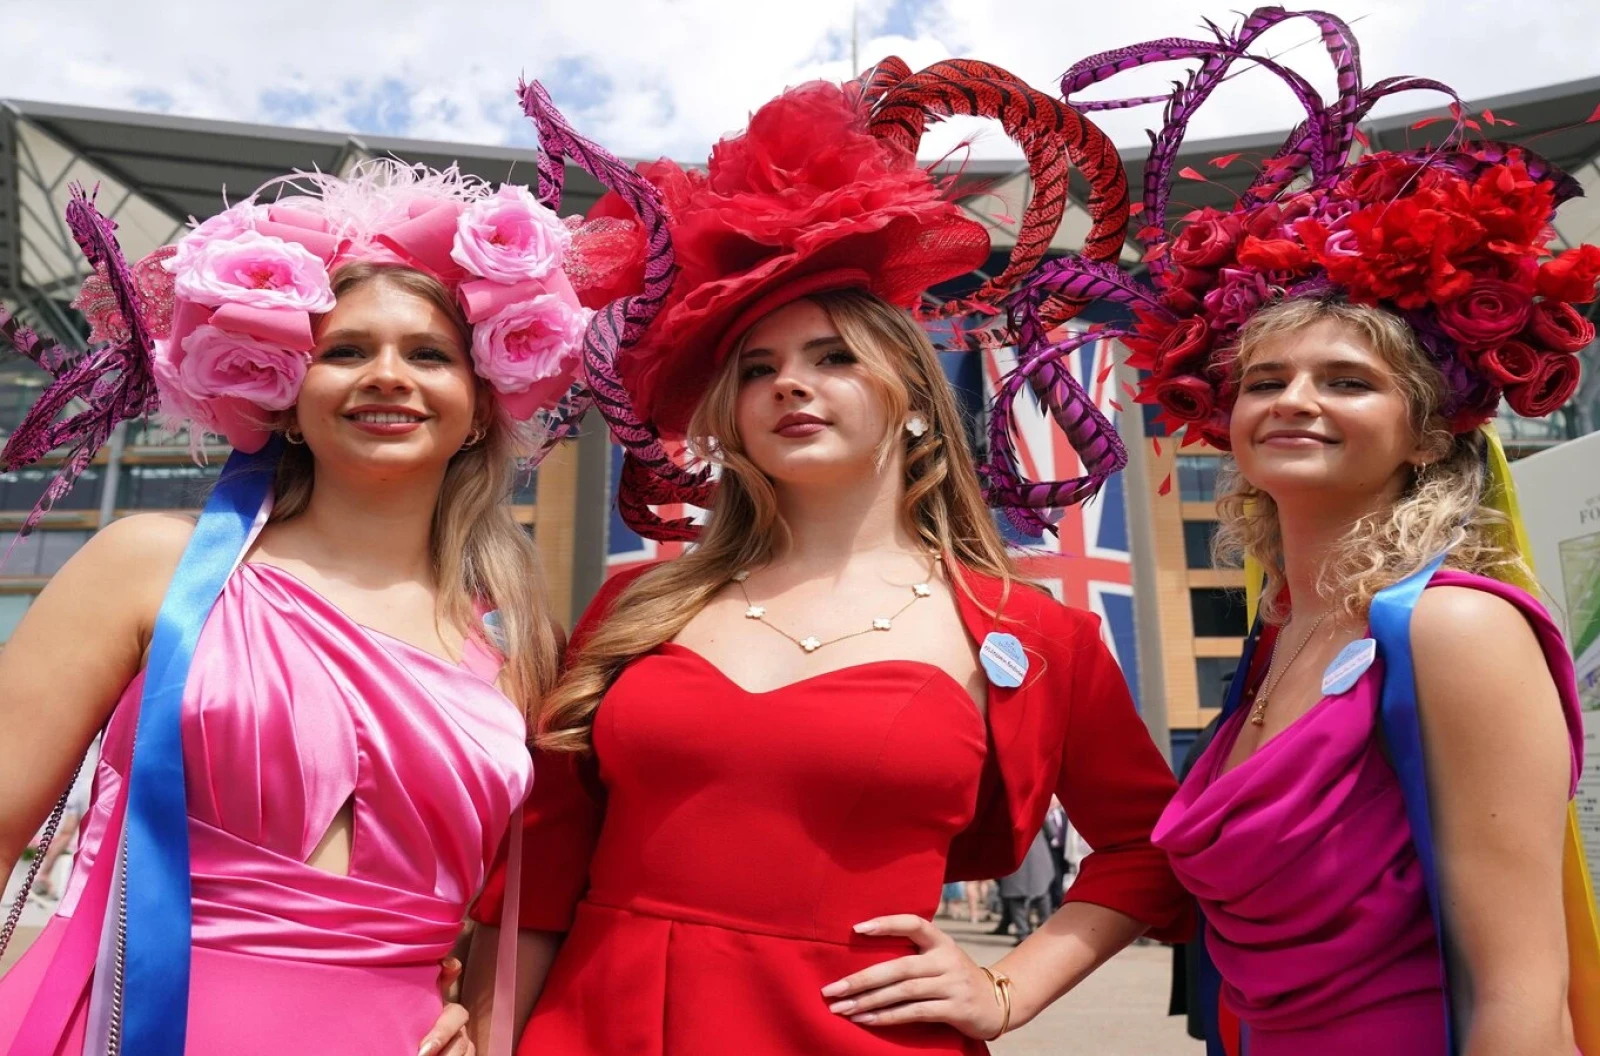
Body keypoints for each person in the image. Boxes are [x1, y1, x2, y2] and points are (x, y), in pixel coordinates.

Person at [461, 63, 1192, 1055]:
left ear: (916, 405)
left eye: (833, 358)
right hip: (597, 1026)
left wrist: (1009, 988)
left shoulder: (1033, 635)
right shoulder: (637, 602)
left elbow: (1148, 849)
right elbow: (540, 863)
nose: (789, 386)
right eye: (757, 370)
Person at [1023, 10, 1597, 1054]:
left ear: (1426, 434)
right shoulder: (1282, 632)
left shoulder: (1454, 631)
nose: (1293, 401)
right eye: (1265, 380)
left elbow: (1521, 993)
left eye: (1346, 381)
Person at [0, 161, 607, 1056]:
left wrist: (480, 1028)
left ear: (479, 406)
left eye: (428, 354)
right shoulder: (145, 566)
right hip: (121, 1029)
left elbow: (554, 893)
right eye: (348, 351)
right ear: (287, 395)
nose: (388, 377)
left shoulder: (522, 655)